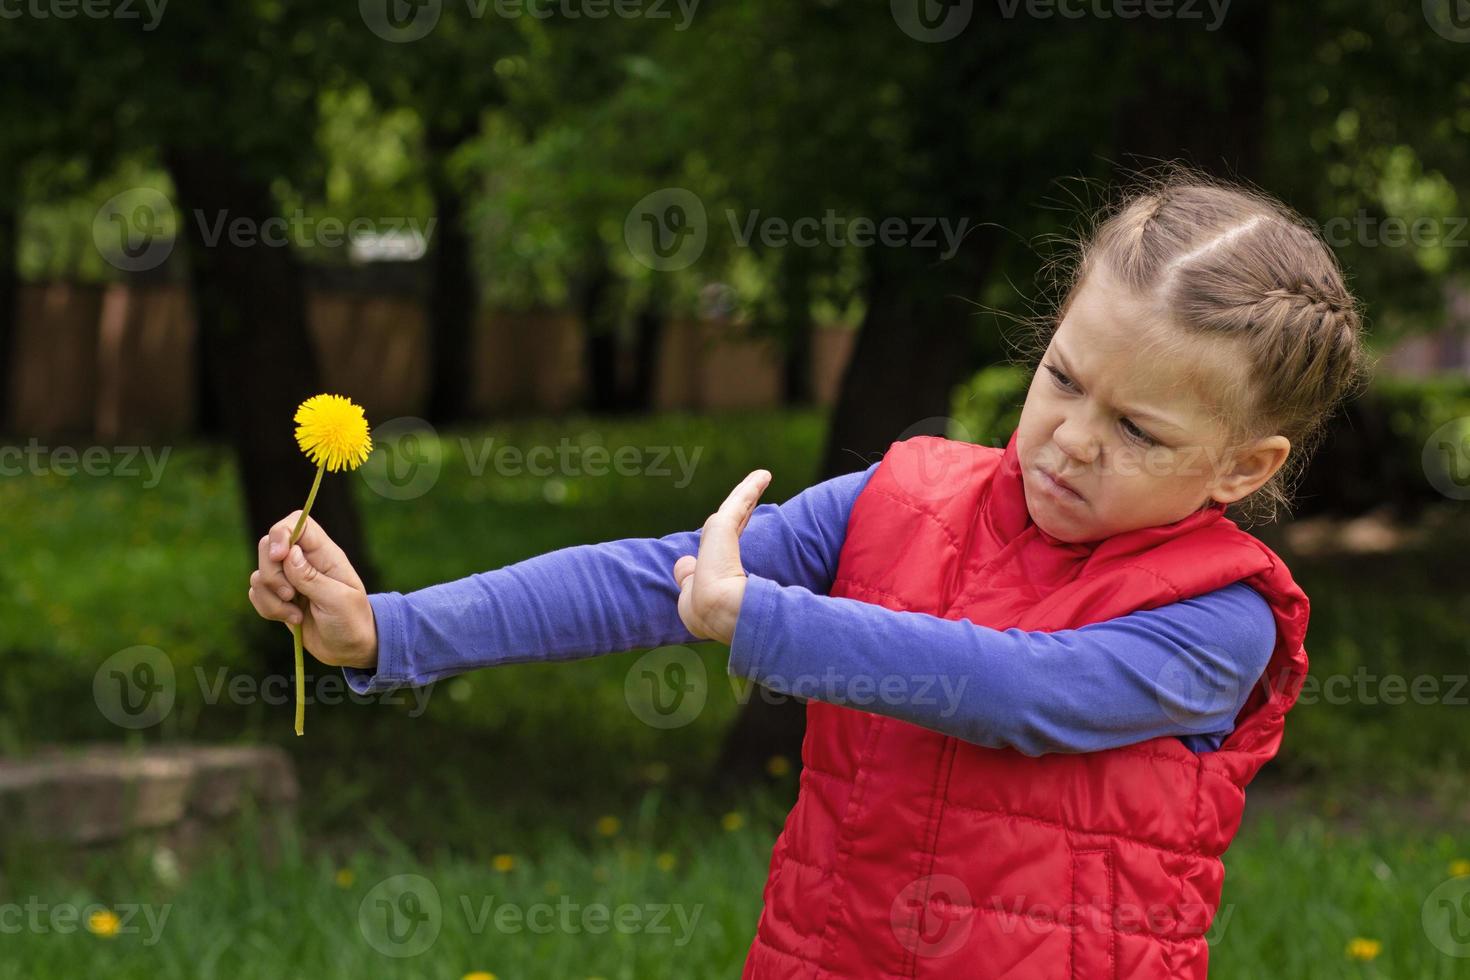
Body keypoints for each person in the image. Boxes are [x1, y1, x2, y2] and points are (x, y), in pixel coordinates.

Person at [247, 171, 1372, 978]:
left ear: (1244, 466)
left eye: (1136, 426)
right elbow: (657, 575)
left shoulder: (1220, 618)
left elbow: (1019, 691)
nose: (1073, 437)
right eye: (1063, 377)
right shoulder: (906, 496)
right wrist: (389, 630)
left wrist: (765, 621)